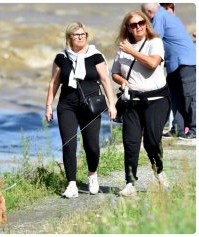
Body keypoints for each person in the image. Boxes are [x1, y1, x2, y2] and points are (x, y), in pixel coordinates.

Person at [45, 22, 116, 198]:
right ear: (69, 37)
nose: (80, 37)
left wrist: (112, 104)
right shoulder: (62, 57)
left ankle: (92, 174)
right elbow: (54, 82)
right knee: (69, 144)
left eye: (83, 34)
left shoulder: (96, 56)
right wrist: (48, 105)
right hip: (67, 105)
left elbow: (106, 81)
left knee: (92, 145)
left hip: (91, 106)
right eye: (76, 34)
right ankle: (71, 184)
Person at [111, 11, 171, 196]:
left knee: (152, 140)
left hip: (156, 100)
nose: (138, 26)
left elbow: (152, 64)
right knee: (130, 142)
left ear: (146, 24)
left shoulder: (155, 42)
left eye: (141, 23)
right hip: (132, 101)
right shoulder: (122, 49)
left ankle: (159, 172)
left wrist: (131, 51)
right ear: (127, 28)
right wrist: (122, 81)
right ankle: (130, 183)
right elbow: (114, 73)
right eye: (133, 24)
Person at [142, 3, 196, 139]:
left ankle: (194, 129)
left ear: (148, 12)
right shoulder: (167, 15)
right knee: (174, 96)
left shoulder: (159, 16)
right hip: (174, 63)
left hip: (185, 61)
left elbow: (155, 39)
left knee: (189, 96)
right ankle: (178, 129)